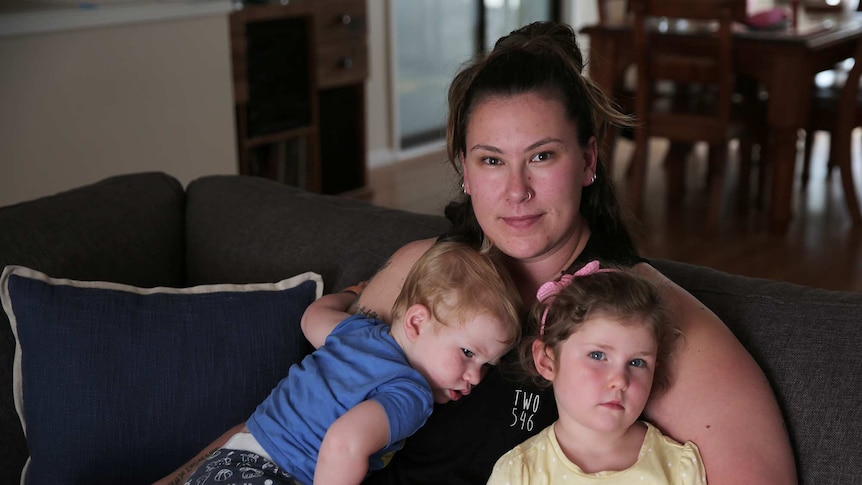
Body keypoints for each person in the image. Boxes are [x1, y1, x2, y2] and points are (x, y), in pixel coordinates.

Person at [355, 21, 796, 485]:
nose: (516, 191)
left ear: (588, 161)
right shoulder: (418, 271)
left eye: (541, 156)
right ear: (464, 170)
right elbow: (315, 408)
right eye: (491, 160)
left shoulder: (649, 319)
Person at [153, 241, 522, 485]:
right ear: (415, 322)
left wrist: (352, 294)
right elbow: (344, 443)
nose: (475, 377)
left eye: (487, 364)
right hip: (274, 475)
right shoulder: (411, 393)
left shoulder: (358, 331)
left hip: (228, 458)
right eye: (469, 354)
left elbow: (311, 318)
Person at [487, 260, 706, 484]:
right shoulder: (519, 474)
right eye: (598, 356)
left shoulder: (679, 468)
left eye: (637, 362)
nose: (620, 380)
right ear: (547, 361)